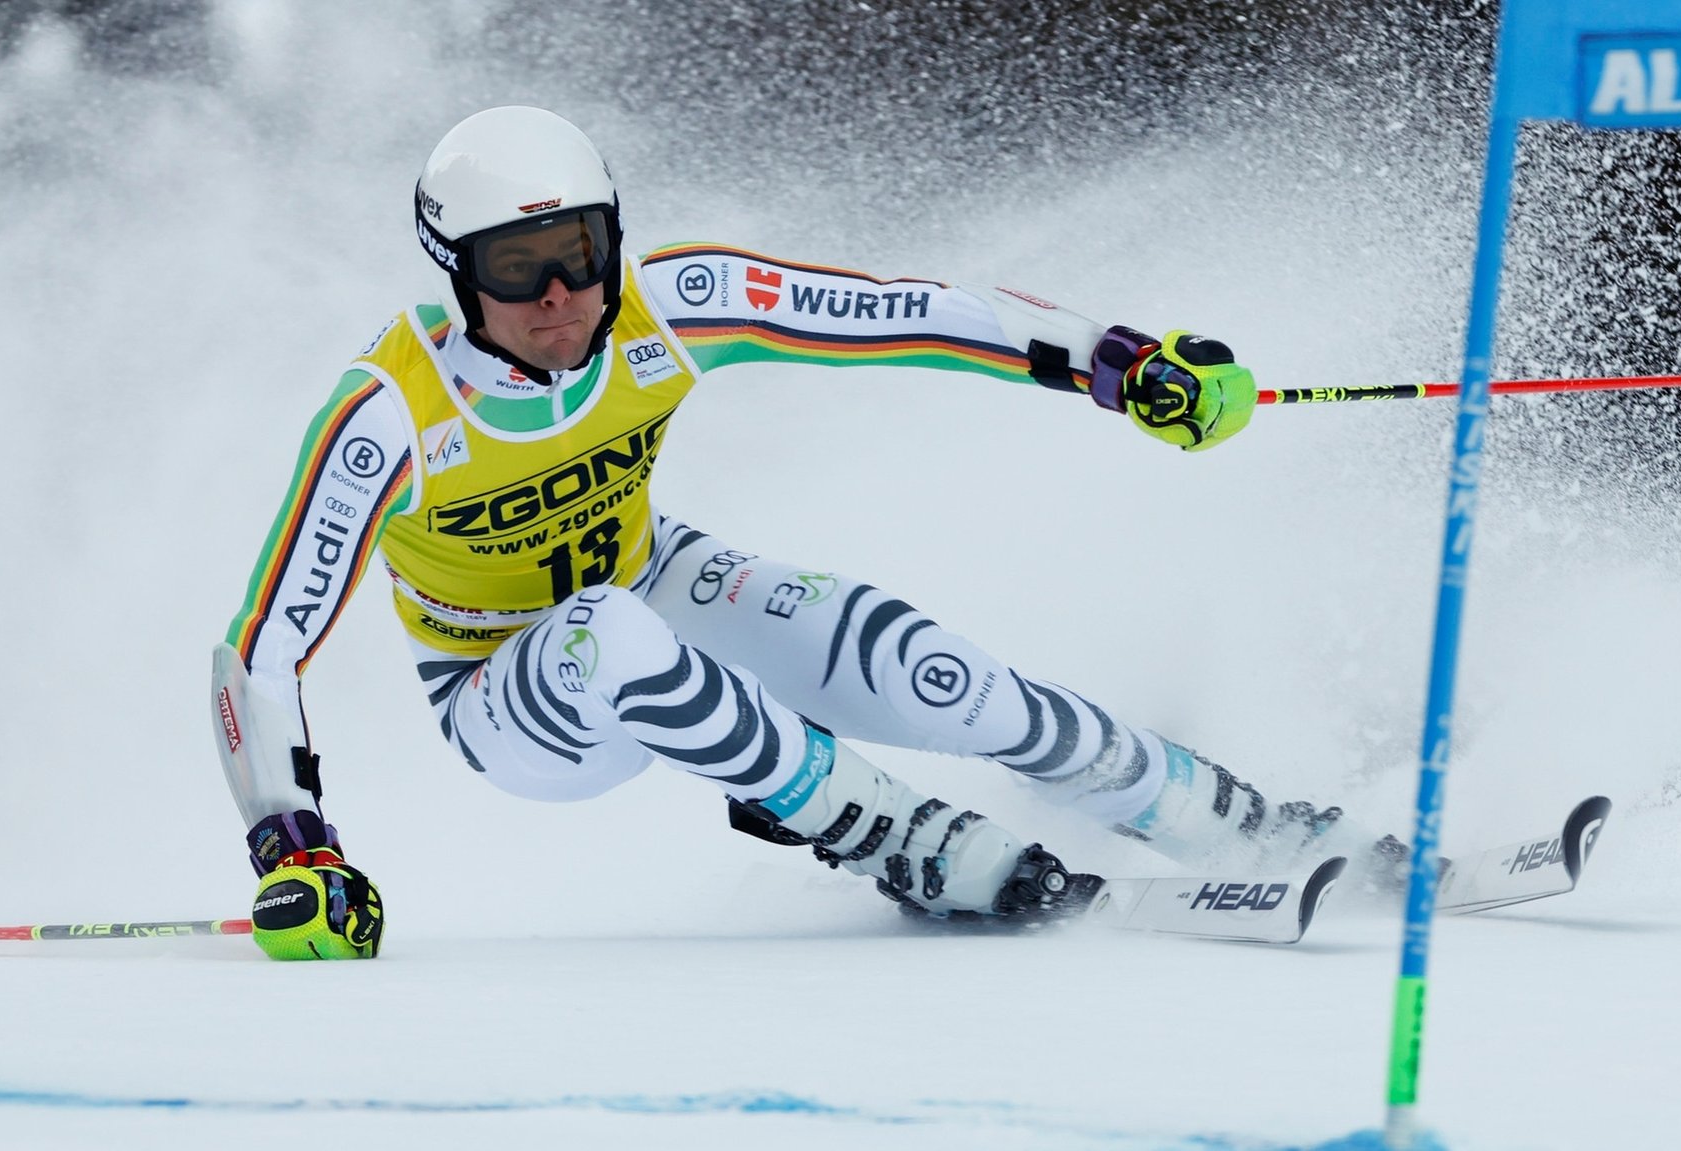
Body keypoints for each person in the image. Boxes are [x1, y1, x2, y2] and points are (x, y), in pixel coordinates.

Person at [210, 105, 1343, 961]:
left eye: (581, 250)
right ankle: (883, 828)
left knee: (929, 670)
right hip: (509, 692)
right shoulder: (391, 413)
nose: (559, 293)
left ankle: (1213, 813)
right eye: (516, 266)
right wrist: (294, 847)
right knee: (605, 628)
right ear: (455, 271)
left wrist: (1117, 361)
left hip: (651, 577)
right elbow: (260, 649)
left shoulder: (669, 301)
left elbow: (905, 312)